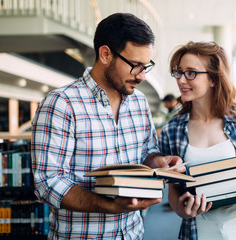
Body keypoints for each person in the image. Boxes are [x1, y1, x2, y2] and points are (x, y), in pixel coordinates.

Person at [31, 13, 184, 240]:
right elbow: (47, 183)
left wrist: (157, 161)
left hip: (133, 234)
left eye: (146, 66)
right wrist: (110, 206)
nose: (142, 75)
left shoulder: (140, 102)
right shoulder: (61, 104)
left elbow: (146, 152)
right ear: (105, 54)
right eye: (135, 65)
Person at [158, 41, 236, 240]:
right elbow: (173, 191)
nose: (181, 80)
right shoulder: (172, 130)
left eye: (191, 73)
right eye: (179, 72)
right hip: (200, 233)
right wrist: (182, 210)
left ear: (213, 79)